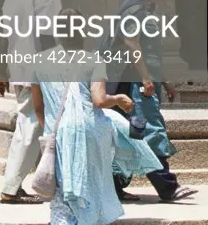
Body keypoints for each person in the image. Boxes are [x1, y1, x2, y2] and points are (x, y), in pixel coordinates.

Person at [32, 13, 162, 225]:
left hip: (57, 133)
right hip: (90, 132)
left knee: (64, 190)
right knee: (94, 187)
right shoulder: (92, 60)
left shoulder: (39, 63)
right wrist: (119, 99)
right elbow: (100, 100)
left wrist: (53, 132)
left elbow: (38, 107)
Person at [108, 0, 197, 203]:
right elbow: (132, 44)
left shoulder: (145, 9)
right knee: (150, 130)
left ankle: (114, 187)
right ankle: (167, 187)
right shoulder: (135, 9)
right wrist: (146, 78)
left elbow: (152, 51)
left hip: (145, 79)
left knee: (131, 135)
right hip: (138, 83)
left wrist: (165, 82)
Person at [0, 0, 62, 205]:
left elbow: (2, 33)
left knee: (29, 125)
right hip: (36, 69)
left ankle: (19, 185)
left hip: (17, 67)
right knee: (29, 127)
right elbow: (47, 34)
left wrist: (0, 71)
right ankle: (10, 189)